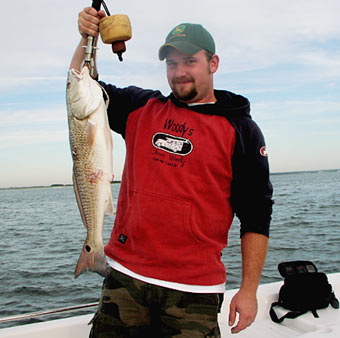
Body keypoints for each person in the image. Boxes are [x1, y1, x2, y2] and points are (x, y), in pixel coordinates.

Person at [71, 7, 273, 337]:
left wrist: (248, 290)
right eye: (172, 63)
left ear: (213, 63)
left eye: (190, 61)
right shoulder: (140, 107)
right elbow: (79, 89)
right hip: (124, 277)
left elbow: (256, 215)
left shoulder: (241, 131)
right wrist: (86, 39)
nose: (179, 72)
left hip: (194, 290)